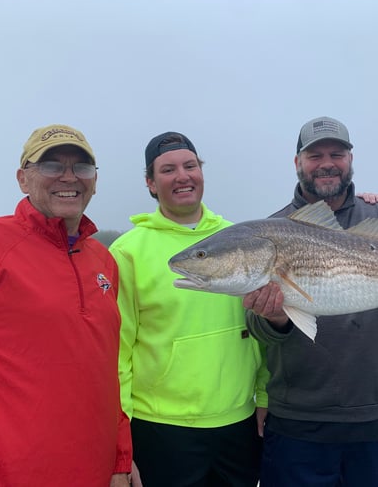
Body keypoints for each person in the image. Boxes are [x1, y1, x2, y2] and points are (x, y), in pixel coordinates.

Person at [243, 116, 378, 487]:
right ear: (297, 163)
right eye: (315, 155)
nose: (327, 162)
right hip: (300, 420)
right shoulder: (268, 231)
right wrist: (275, 319)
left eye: (336, 153)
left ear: (350, 159)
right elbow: (260, 331)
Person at [0, 124, 133, 486]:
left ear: (95, 180)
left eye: (82, 167)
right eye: (51, 166)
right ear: (23, 178)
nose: (69, 177)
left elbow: (105, 372)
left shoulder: (102, 261)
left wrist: (120, 459)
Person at [109, 131, 268, 487]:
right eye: (167, 170)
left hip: (239, 423)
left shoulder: (243, 239)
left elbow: (262, 331)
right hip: (161, 428)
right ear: (151, 183)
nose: (182, 176)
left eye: (190, 166)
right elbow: (117, 354)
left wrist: (265, 396)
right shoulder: (127, 252)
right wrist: (122, 440)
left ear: (201, 173)